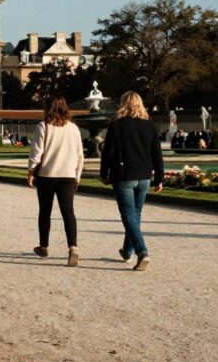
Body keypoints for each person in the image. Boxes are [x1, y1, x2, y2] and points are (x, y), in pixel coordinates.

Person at [100, 91, 164, 271]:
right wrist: (159, 177)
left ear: (123, 104)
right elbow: (157, 154)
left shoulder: (117, 125)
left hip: (123, 174)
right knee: (135, 214)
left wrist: (104, 173)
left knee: (129, 215)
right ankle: (127, 251)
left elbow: (108, 153)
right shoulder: (149, 126)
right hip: (144, 175)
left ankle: (142, 251)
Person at [27, 96, 85, 267]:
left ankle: (44, 246)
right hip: (68, 175)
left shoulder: (43, 126)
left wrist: (31, 172)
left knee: (45, 211)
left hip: (47, 175)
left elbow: (36, 153)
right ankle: (73, 247)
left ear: (48, 109)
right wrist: (78, 176)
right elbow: (80, 155)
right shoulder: (73, 128)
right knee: (68, 212)